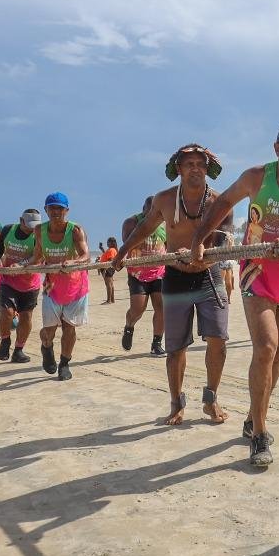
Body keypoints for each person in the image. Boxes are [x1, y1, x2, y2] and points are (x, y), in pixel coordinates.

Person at [194, 120, 279, 468]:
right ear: (278, 149)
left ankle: (253, 416)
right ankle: (259, 434)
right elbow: (223, 203)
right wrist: (199, 239)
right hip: (256, 272)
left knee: (278, 357)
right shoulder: (257, 177)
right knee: (266, 346)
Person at [111, 145, 234, 426]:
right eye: (188, 163)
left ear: (208, 169)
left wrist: (204, 254)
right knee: (175, 347)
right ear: (178, 169)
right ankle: (176, 403)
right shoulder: (165, 199)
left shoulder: (219, 201)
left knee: (218, 339)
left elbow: (223, 239)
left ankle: (211, 398)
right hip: (175, 278)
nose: (195, 168)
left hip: (209, 276)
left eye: (200, 164)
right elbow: (146, 227)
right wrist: (123, 252)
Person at [31, 192, 90, 381]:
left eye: (60, 208)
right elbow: (37, 257)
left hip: (76, 287)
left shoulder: (75, 230)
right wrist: (24, 264)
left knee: (69, 328)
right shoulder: (39, 230)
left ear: (67, 210)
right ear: (46, 210)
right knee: (48, 331)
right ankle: (46, 347)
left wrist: (74, 262)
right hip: (52, 287)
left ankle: (64, 364)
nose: (56, 211)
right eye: (52, 207)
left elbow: (86, 255)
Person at [0, 210, 44, 364]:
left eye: (35, 226)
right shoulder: (8, 230)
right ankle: (5, 341)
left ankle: (19, 350)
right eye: (29, 226)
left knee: (26, 317)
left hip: (30, 283)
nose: (32, 229)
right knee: (7, 313)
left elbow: (38, 256)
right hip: (8, 281)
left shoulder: (39, 234)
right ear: (21, 220)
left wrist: (21, 265)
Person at [119, 198, 166, 357]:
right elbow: (127, 243)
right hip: (137, 274)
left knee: (162, 308)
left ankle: (157, 343)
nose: (154, 214)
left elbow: (170, 245)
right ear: (143, 208)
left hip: (159, 273)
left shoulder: (164, 224)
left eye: (157, 210)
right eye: (150, 210)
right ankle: (129, 326)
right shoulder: (131, 222)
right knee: (138, 309)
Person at [97, 238, 120, 304]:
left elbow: (110, 260)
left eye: (108, 242)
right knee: (110, 284)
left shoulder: (111, 250)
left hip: (108, 268)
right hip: (109, 268)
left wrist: (105, 269)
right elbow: (106, 256)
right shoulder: (111, 250)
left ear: (111, 243)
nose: (107, 243)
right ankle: (112, 300)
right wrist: (102, 249)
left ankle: (109, 300)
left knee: (108, 284)